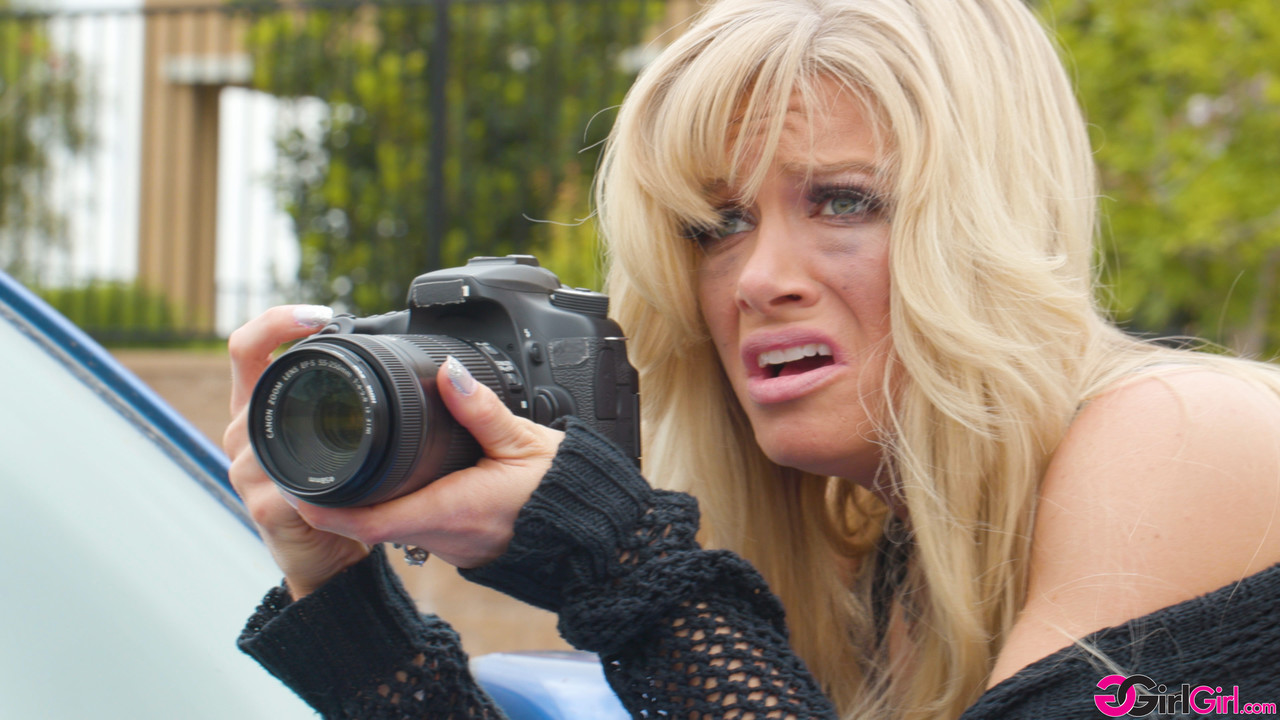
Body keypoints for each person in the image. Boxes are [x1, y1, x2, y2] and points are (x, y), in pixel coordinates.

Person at [224, 0, 1280, 718]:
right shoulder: (873, 557)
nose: (759, 278)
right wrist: (343, 601)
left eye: (843, 201)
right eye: (717, 225)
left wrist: (615, 557)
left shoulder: (1184, 439)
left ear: (988, 225)